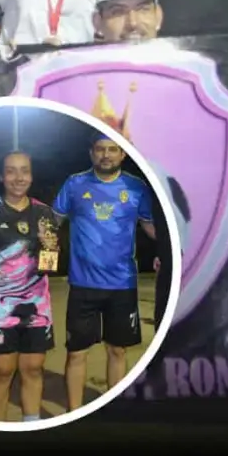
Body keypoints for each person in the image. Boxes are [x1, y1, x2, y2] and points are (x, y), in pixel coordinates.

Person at [91, 0, 180, 327]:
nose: (132, 22)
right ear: (98, 22)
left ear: (158, 15)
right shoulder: (83, 77)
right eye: (117, 11)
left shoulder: (187, 71)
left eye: (143, 8)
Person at [54, 136, 156, 412]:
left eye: (113, 149)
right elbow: (52, 222)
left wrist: (171, 253)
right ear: (91, 153)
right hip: (82, 283)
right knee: (76, 353)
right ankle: (74, 412)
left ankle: (114, 410)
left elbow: (150, 227)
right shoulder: (74, 184)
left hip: (121, 283)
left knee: (118, 350)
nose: (106, 155)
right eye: (100, 149)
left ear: (123, 154)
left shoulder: (136, 187)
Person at [0, 150, 63, 423]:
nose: (18, 177)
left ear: (31, 175)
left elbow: (50, 266)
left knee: (34, 367)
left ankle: (31, 423)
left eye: (24, 170)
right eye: (11, 170)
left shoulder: (44, 212)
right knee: (1, 369)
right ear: (1, 176)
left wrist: (50, 249)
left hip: (36, 302)